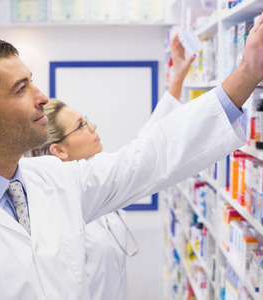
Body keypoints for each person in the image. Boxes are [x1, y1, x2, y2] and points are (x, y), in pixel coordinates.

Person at [0, 9, 263, 300]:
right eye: (21, 88)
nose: (42, 97)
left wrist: (247, 74)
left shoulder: (55, 180)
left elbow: (151, 155)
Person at [30, 35, 196, 300]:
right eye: (81, 126)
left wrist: (177, 77)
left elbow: (147, 145)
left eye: (86, 120)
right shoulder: (57, 212)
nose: (92, 127)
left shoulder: (98, 179)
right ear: (58, 150)